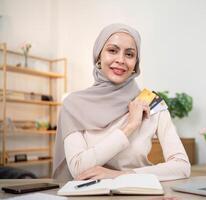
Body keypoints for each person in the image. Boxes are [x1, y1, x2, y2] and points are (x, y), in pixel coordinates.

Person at [53, 23, 191, 181]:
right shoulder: (74, 104)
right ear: (99, 55)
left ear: (135, 63)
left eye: (129, 54)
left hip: (140, 193)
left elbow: (182, 166)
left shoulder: (149, 102)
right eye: (112, 50)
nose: (121, 60)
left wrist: (122, 175)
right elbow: (79, 169)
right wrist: (130, 126)